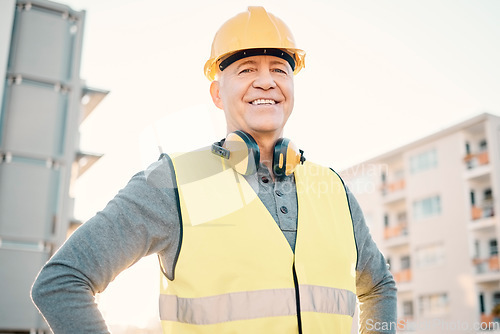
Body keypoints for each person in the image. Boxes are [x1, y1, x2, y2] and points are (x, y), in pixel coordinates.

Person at [31, 6, 397, 333]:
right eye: (247, 69)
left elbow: (380, 286)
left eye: (279, 69)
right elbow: (62, 281)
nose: (266, 80)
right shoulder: (171, 182)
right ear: (217, 94)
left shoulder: (332, 188)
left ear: (292, 87)